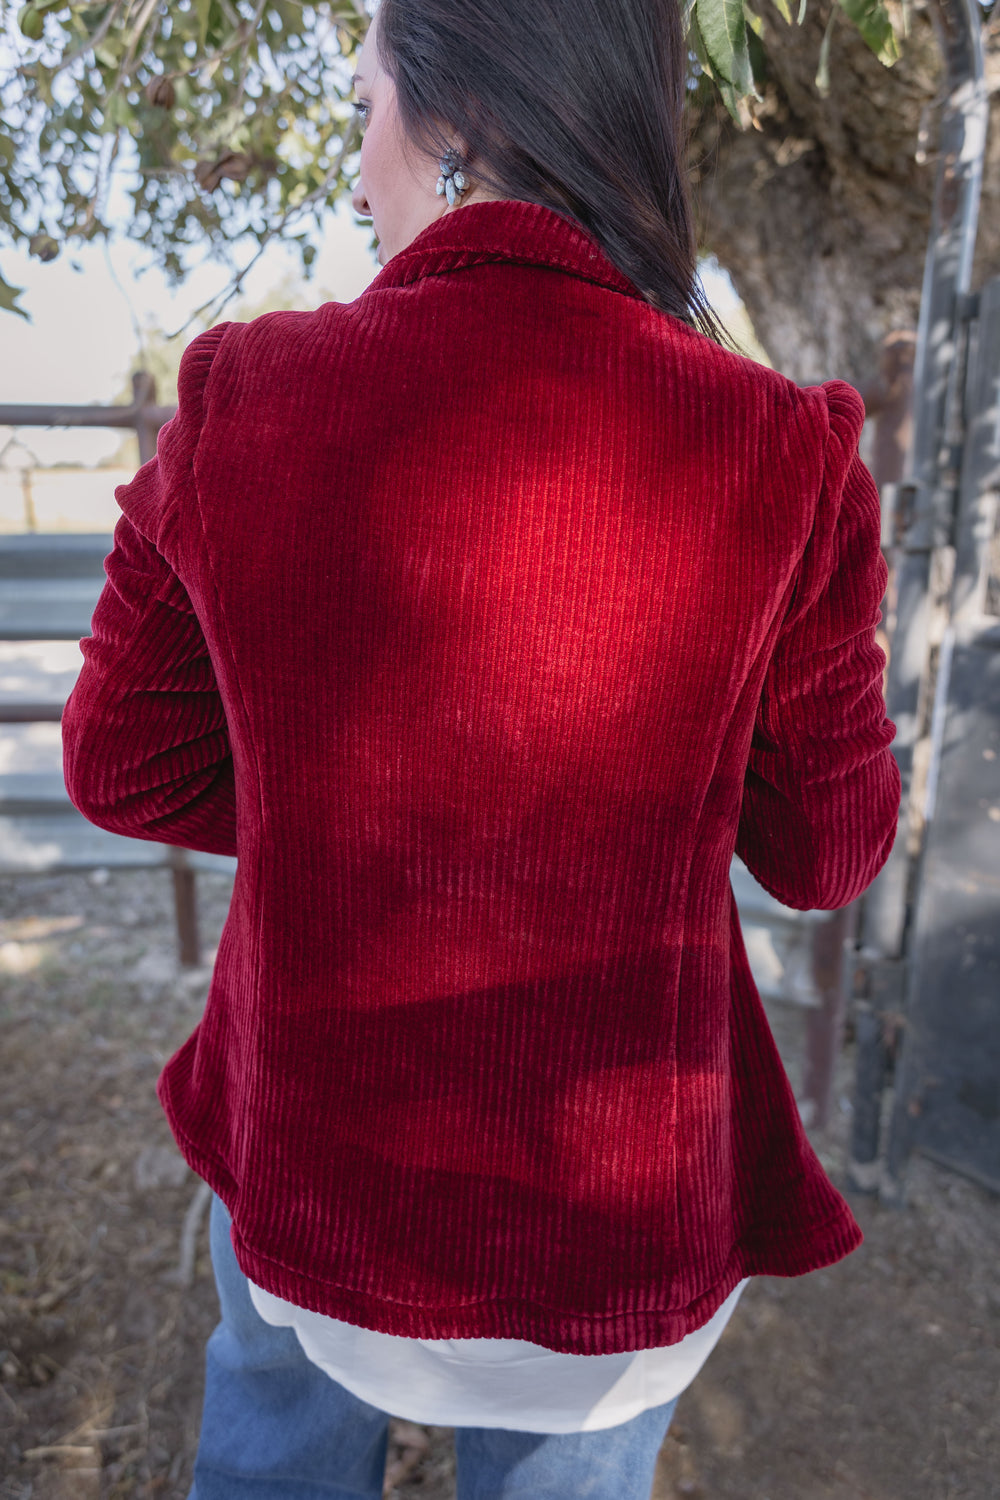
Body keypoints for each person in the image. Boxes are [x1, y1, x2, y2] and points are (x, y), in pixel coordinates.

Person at [61, 0, 902, 1495]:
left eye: (363, 113)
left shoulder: (245, 394)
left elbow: (123, 763)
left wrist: (345, 796)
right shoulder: (782, 446)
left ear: (452, 126)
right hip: (609, 1233)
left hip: (310, 1170)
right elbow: (825, 852)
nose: (356, 168)